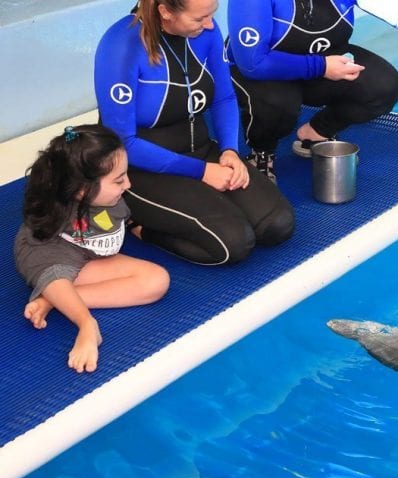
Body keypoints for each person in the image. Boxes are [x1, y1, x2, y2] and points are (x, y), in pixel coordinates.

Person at [95, 0, 295, 265]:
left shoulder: (206, 33)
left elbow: (223, 98)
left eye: (212, 15)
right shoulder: (122, 45)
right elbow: (123, 142)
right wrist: (202, 172)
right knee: (234, 243)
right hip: (142, 168)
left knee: (277, 225)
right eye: (199, 19)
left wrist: (230, 151)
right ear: (165, 12)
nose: (211, 25)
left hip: (201, 150)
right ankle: (142, 228)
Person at [226, 0, 398, 178]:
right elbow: (253, 63)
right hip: (264, 71)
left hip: (323, 66)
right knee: (278, 105)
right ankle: (261, 154)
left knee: (383, 86)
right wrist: (322, 67)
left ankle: (315, 133)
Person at [14, 125, 170, 374]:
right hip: (58, 258)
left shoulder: (109, 198)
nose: (128, 184)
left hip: (87, 260)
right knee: (55, 278)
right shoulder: (44, 239)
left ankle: (54, 300)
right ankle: (74, 311)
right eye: (119, 180)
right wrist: (85, 324)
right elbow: (51, 267)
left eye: (126, 174)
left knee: (158, 280)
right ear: (81, 190)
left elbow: (123, 219)